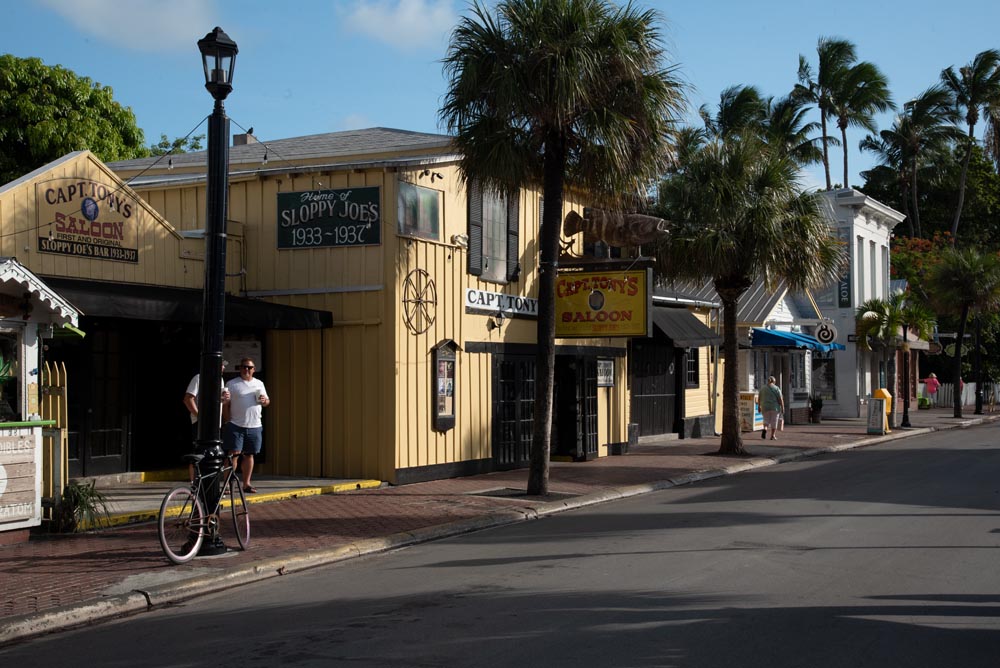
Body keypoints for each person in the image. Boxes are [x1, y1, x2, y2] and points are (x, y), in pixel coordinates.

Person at [225, 357, 269, 493]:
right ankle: (227, 484)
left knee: (249, 455)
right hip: (236, 424)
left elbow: (267, 402)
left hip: (255, 425)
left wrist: (264, 400)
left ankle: (246, 484)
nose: (246, 369)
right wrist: (227, 421)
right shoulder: (232, 384)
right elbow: (225, 403)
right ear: (239, 368)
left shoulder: (259, 384)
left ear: (254, 370)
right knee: (233, 454)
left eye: (249, 367)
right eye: (244, 367)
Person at [182, 360, 230, 481]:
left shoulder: (221, 381)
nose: (223, 367)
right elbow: (188, 399)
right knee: (198, 454)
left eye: (223, 365)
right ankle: (194, 484)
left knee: (213, 454)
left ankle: (208, 484)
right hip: (201, 423)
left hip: (215, 424)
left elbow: (217, 400)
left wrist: (224, 400)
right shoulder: (199, 378)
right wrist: (200, 417)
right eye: (221, 364)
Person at [759, 376, 785, 441]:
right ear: (774, 381)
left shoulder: (762, 388)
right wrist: (782, 407)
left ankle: (765, 429)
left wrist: (759, 406)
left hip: (765, 407)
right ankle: (772, 436)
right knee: (774, 421)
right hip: (774, 407)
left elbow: (759, 398)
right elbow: (780, 399)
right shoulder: (776, 388)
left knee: (766, 420)